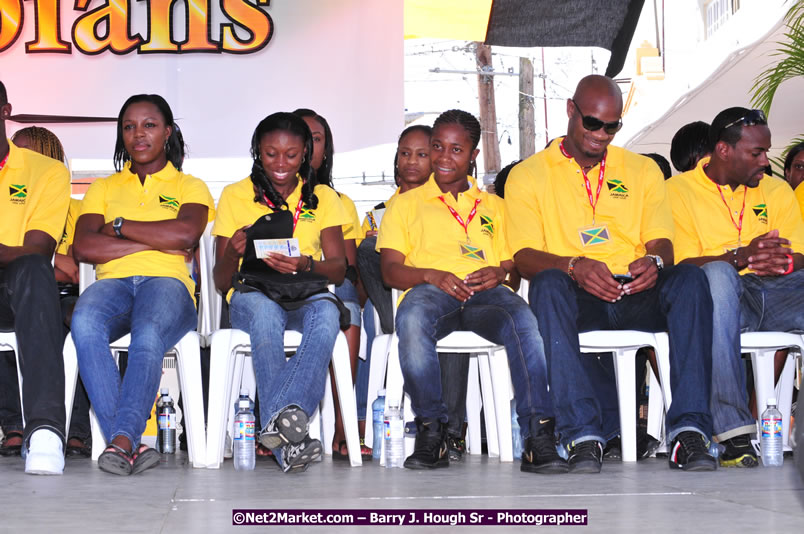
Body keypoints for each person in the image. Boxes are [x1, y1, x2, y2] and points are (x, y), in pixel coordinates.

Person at [506, 74, 716, 473]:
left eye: (612, 126)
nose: (602, 135)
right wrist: (573, 266)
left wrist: (654, 265)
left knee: (690, 279)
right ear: (571, 111)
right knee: (547, 284)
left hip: (636, 291)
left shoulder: (642, 170)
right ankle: (582, 434)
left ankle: (689, 431)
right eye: (592, 123)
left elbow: (663, 245)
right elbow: (523, 256)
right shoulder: (528, 175)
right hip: (575, 291)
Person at [378, 109, 564, 473]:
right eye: (437, 147)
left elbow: (512, 272)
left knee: (523, 321)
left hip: (485, 296)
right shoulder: (405, 204)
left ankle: (538, 436)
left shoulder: (497, 207)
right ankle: (433, 432)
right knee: (412, 317)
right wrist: (431, 275)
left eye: (456, 149)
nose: (444, 158)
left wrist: (500, 273)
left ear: (474, 155)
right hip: (431, 292)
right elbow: (390, 271)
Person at [71, 94, 214, 476]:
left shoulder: (190, 185)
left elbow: (186, 233)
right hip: (113, 282)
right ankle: (129, 441)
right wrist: (157, 238)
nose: (138, 134)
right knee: (84, 321)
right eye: (129, 126)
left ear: (167, 132)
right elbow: (83, 245)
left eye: (149, 125)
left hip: (168, 283)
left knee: (147, 332)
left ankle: (121, 441)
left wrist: (118, 227)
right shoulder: (103, 188)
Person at [667, 107, 804, 467]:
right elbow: (679, 266)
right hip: (720, 302)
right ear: (724, 151)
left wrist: (782, 262)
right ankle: (732, 431)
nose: (765, 161)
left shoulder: (775, 190)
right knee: (716, 276)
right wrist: (740, 257)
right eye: (756, 153)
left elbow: (798, 252)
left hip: (776, 292)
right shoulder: (676, 192)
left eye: (767, 151)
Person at [213, 112, 348, 473]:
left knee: (328, 313)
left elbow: (338, 266)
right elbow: (220, 280)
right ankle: (289, 434)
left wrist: (307, 265)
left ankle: (276, 431)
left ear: (305, 153)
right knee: (266, 314)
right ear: (258, 151)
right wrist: (231, 253)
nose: (281, 163)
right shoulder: (235, 195)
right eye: (271, 153)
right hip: (252, 293)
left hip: (305, 290)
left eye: (291, 155)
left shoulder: (323, 197)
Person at [0, 126, 92, 458]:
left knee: (78, 316)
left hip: (53, 289)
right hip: (28, 286)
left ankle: (58, 428)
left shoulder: (56, 186)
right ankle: (14, 423)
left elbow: (54, 260)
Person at [0, 80, 70, 475]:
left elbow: (38, 248)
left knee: (31, 269)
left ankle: (44, 430)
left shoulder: (46, 171)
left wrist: (13, 253)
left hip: (15, 293)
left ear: (5, 111)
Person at [292, 108, 369, 460]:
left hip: (326, 287)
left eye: (317, 138)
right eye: (301, 136)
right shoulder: (258, 195)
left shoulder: (339, 202)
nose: (308, 145)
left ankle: (343, 427)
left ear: (326, 149)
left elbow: (348, 267)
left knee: (349, 299)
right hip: (277, 291)